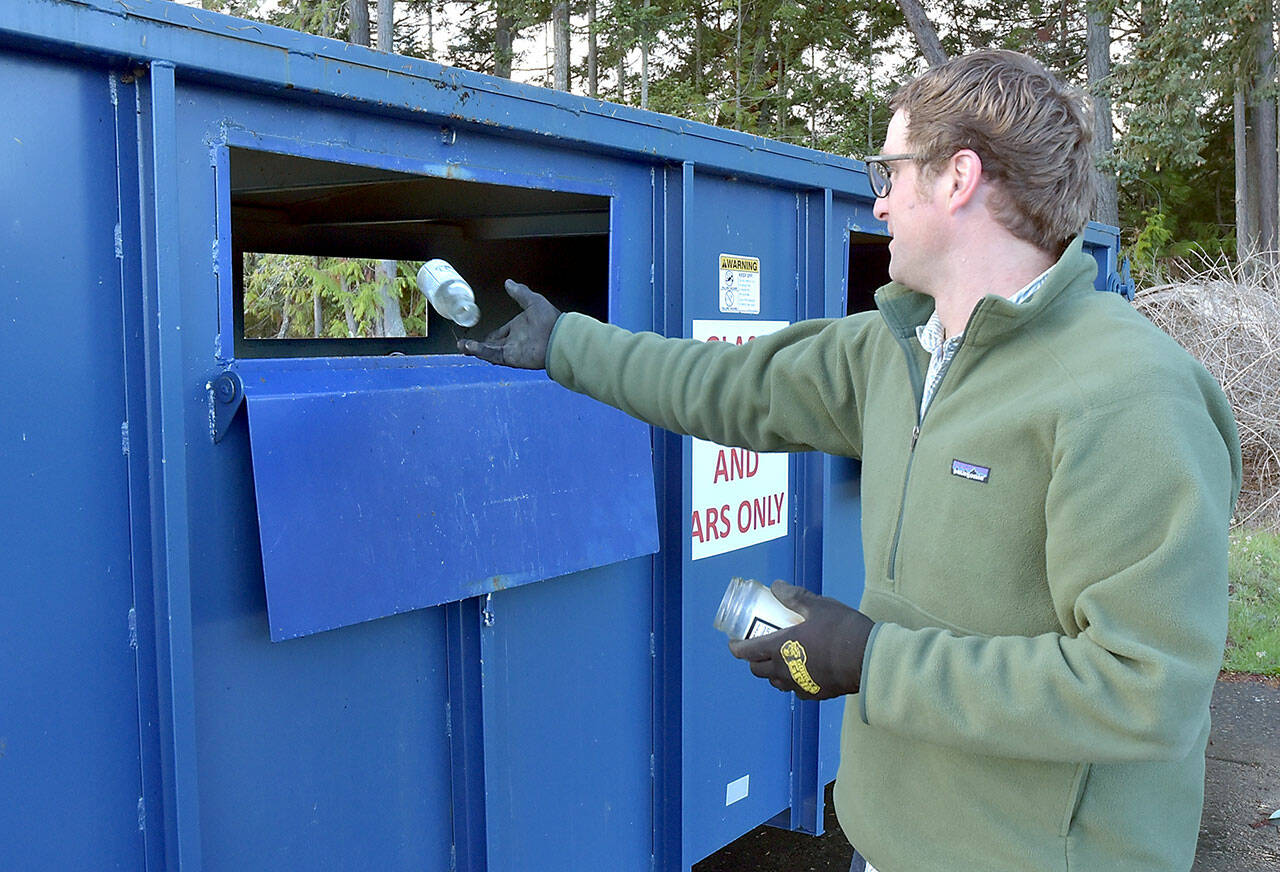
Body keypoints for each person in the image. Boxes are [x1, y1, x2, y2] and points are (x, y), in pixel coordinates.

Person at [460, 49, 1241, 872]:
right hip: (893, 838)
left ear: (958, 178)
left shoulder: (1129, 396)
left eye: (890, 170)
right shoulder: (899, 348)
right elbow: (729, 383)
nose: (877, 200)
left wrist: (870, 656)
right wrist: (566, 345)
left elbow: (1144, 689)